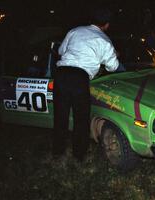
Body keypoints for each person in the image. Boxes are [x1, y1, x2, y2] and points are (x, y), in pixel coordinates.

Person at [53, 8, 120, 162]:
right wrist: (114, 54)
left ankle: (57, 152)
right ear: (107, 25)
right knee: (81, 119)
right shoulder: (104, 40)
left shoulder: (74, 31)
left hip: (61, 75)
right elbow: (113, 67)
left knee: (60, 117)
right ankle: (79, 154)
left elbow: (61, 50)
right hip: (79, 77)